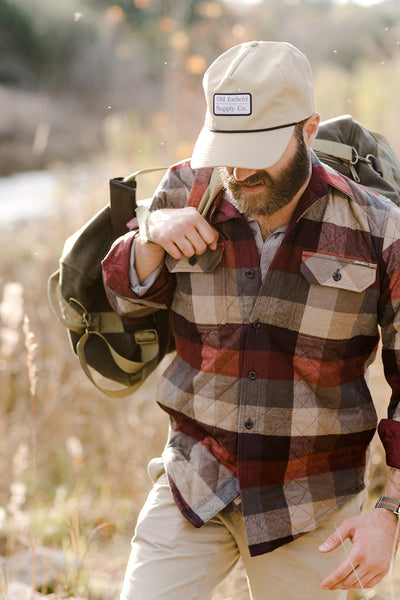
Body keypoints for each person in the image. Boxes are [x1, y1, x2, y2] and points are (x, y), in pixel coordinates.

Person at [102, 41, 400, 599]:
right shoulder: (185, 188)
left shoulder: (380, 231)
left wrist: (388, 515)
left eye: (257, 149)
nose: (238, 171)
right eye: (226, 149)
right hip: (195, 480)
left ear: (308, 131)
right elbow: (124, 300)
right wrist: (147, 238)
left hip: (311, 504)